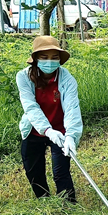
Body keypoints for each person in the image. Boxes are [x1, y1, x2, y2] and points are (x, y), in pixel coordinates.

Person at [17, 36, 82, 202]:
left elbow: (72, 108)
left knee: (61, 173)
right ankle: (45, 204)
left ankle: (69, 209)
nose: (50, 62)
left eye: (54, 57)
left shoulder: (67, 79)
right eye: (44, 57)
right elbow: (30, 106)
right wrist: (47, 130)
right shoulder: (23, 77)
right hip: (34, 131)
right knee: (34, 173)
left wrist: (71, 136)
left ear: (60, 59)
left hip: (60, 131)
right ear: (36, 59)